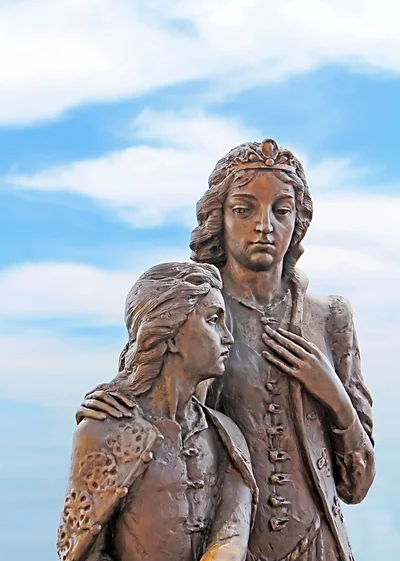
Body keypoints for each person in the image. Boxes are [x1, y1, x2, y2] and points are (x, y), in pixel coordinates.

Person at [79, 139, 375, 561]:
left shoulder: (330, 318)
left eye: (282, 210)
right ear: (218, 217)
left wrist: (335, 397)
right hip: (224, 547)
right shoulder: (192, 313)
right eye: (244, 209)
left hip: (320, 546)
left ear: (299, 221)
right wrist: (114, 405)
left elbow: (356, 486)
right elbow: (144, 406)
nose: (264, 226)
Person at [58, 262, 258, 561]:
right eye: (214, 320)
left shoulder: (226, 437)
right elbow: (81, 554)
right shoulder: (105, 430)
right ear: (171, 334)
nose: (228, 336)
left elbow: (231, 538)